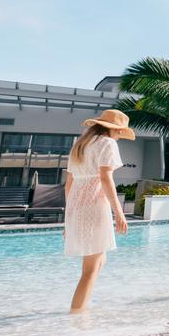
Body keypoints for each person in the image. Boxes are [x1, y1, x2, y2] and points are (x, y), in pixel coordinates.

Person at [65, 109, 132, 313]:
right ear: (112, 130)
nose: (120, 135)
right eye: (119, 131)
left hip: (77, 207)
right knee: (90, 270)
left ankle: (83, 304)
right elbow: (105, 178)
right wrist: (119, 213)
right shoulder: (107, 143)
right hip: (93, 206)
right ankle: (76, 317)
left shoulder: (80, 145)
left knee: (100, 260)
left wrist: (68, 218)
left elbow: (68, 184)